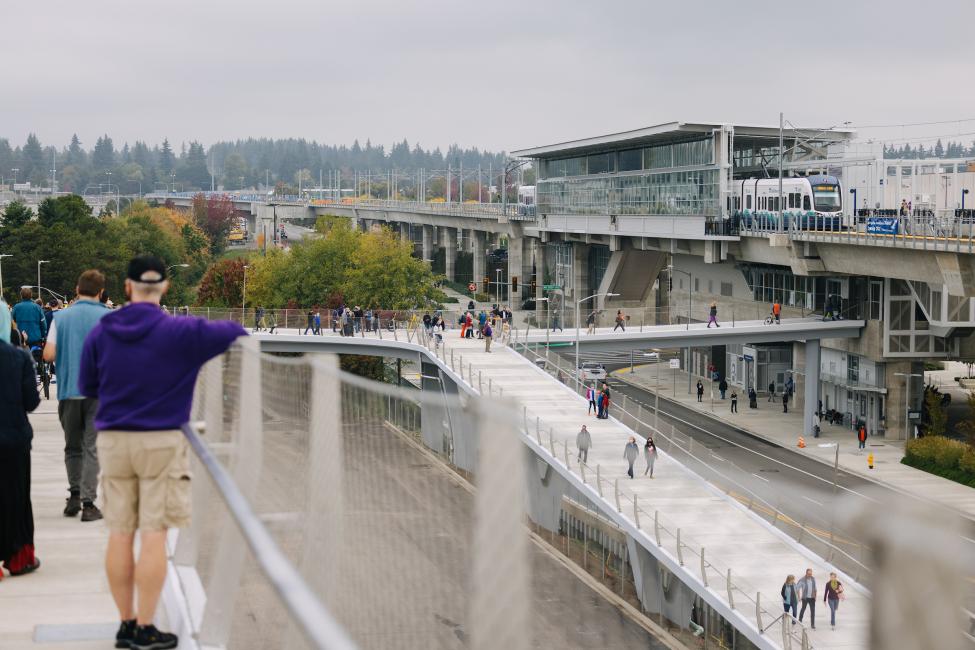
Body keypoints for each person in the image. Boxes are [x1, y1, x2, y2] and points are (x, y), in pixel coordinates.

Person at [79, 256, 247, 650]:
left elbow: (88, 385)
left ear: (126, 287)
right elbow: (234, 331)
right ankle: (146, 626)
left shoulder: (102, 332)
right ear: (165, 289)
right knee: (153, 534)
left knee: (120, 533)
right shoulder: (182, 332)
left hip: (114, 440)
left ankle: (123, 625)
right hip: (162, 441)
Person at [42, 270, 111, 522]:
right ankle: (89, 503)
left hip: (69, 390)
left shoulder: (61, 318)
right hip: (98, 393)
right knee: (92, 447)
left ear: (76, 288)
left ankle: (73, 494)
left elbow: (48, 355)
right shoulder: (108, 319)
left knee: (73, 447)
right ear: (101, 292)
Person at [0, 325, 42, 578]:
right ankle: (18, 557)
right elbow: (31, 401)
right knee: (17, 497)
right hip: (14, 437)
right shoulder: (18, 357)